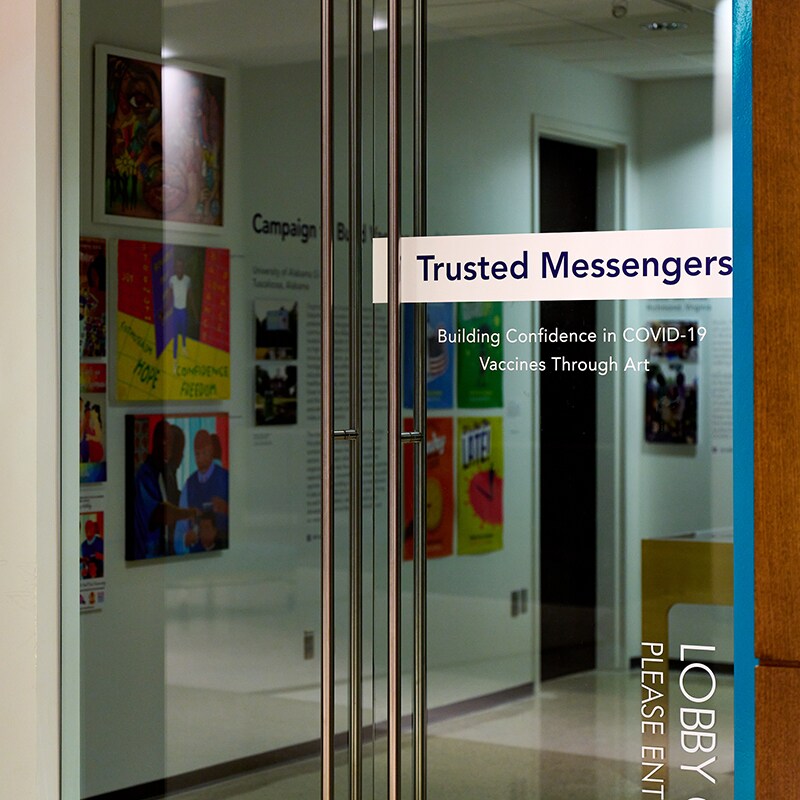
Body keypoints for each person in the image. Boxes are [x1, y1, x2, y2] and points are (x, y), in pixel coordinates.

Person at [131, 419, 197, 559]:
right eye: (169, 441)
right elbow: (159, 512)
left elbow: (174, 500)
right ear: (160, 442)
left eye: (173, 443)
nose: (171, 448)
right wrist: (190, 512)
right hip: (144, 557)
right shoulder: (145, 475)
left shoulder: (163, 474)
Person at [174, 428, 229, 553]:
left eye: (204, 453)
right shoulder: (189, 485)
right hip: (196, 560)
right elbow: (180, 530)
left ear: (211, 451)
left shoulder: (226, 479)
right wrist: (185, 539)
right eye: (197, 454)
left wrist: (226, 509)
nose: (200, 459)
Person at [165, 256, 197, 370]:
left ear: (183, 268)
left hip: (183, 311)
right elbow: (169, 296)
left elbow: (191, 297)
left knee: (183, 331)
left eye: (181, 267)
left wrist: (195, 312)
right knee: (175, 336)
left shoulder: (187, 280)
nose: (179, 269)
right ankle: (175, 361)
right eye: (177, 267)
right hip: (175, 311)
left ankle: (184, 347)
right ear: (175, 268)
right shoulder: (172, 280)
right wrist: (165, 309)